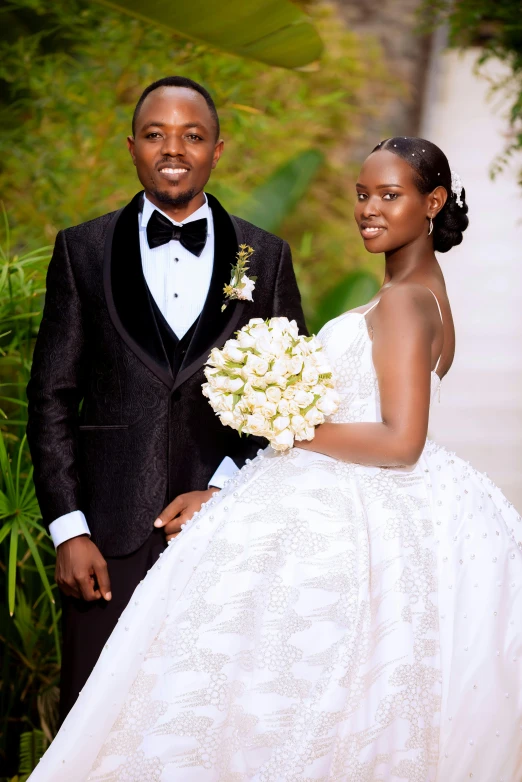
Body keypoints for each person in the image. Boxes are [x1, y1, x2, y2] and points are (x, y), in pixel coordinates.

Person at [29, 138, 522, 782]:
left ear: (431, 203)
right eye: (362, 194)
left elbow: (400, 441)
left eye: (389, 195)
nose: (369, 209)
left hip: (350, 506)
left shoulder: (403, 303)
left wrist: (283, 425)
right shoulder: (420, 291)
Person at [25, 76, 306, 723]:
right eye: (156, 135)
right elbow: (52, 400)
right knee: (95, 727)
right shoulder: (82, 251)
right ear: (132, 146)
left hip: (225, 541)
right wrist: (70, 530)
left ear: (217, 149)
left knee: (204, 723)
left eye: (192, 135)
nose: (172, 149)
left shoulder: (264, 255)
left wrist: (228, 494)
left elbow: (290, 409)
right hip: (104, 547)